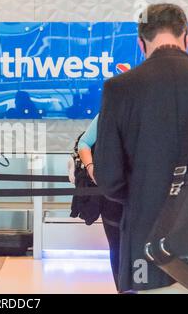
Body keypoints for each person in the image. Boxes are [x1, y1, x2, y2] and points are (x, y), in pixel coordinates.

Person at [94, 3, 188, 294]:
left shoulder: (119, 88)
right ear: (187, 37)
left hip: (149, 241)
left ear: (141, 42)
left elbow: (108, 178)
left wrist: (141, 197)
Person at [76, 113, 123, 290]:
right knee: (117, 246)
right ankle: (122, 288)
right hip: (113, 194)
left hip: (143, 194)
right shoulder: (109, 112)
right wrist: (91, 169)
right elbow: (84, 143)